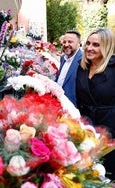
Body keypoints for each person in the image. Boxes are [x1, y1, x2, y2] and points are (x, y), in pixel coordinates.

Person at [76, 28, 115, 181]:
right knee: (88, 172)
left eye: (96, 45)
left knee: (108, 174)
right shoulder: (82, 67)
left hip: (110, 128)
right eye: (88, 43)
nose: (89, 48)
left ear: (106, 46)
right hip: (87, 128)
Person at [55, 30, 83, 106]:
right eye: (64, 42)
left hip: (74, 107)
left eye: (70, 42)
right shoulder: (63, 58)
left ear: (79, 43)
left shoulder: (84, 60)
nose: (66, 44)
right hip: (59, 103)